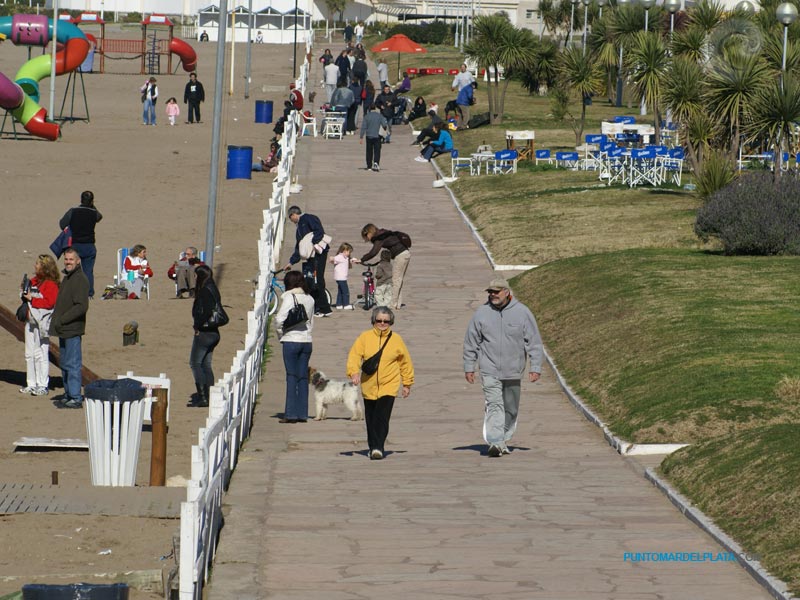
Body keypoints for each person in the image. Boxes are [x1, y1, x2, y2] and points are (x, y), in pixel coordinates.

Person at [463, 278, 544, 457]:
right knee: (494, 405)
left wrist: (535, 367)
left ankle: (503, 438)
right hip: (489, 368)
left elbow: (534, 342)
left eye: (496, 292)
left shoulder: (522, 312)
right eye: (490, 292)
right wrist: (469, 367)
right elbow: (471, 342)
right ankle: (496, 442)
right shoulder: (482, 313)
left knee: (511, 408)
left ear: (507, 292)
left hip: (514, 370)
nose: (492, 295)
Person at [346, 307, 414, 460]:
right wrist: (354, 372)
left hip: (389, 385)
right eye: (379, 321)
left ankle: (378, 447)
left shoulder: (397, 339)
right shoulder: (365, 337)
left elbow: (405, 362)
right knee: (370, 418)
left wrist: (407, 384)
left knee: (382, 417)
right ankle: (372, 446)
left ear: (391, 322)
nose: (382, 323)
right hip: (368, 385)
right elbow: (355, 355)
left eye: (386, 321)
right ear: (373, 321)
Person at [274, 270, 316, 423]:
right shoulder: (310, 298)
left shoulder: (289, 297)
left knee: (291, 376)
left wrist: (281, 334)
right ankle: (302, 413)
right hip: (306, 341)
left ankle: (291, 414)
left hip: (291, 340)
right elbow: (311, 321)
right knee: (303, 377)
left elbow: (279, 320)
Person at [50, 248, 89, 409]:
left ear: (78, 261)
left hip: (72, 328)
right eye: (66, 259)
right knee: (65, 363)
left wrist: (63, 319)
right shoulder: (68, 278)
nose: (68, 262)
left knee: (72, 364)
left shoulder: (80, 279)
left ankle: (75, 397)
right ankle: (68, 394)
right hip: (64, 328)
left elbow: (82, 306)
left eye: (71, 259)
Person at [20, 255, 60, 397]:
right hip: (30, 322)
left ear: (45, 267)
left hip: (42, 323)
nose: (35, 266)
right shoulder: (33, 281)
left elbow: (50, 303)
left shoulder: (51, 285)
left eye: (37, 264)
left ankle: (42, 384)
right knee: (29, 354)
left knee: (41, 353)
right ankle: (31, 383)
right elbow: (25, 296)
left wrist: (32, 299)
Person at [284, 206, 333, 317]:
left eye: (291, 219)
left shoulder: (308, 218)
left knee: (318, 280)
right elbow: (299, 247)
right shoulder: (299, 227)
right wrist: (291, 262)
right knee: (312, 281)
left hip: (318, 254)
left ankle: (325, 308)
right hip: (311, 256)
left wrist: (313, 243)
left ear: (293, 215)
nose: (292, 221)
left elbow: (319, 231)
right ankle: (317, 307)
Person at [188, 265, 222, 408]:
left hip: (205, 332)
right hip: (214, 332)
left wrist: (197, 326)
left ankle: (203, 397)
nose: (194, 278)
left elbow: (205, 311)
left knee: (195, 363)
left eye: (196, 275)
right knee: (206, 364)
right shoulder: (212, 287)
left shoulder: (205, 290)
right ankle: (209, 395)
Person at [59, 190, 102, 299]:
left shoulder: (73, 211)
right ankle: (89, 294)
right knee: (88, 271)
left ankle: (72, 292)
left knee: (72, 269)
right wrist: (92, 206)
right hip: (89, 245)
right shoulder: (93, 213)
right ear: (92, 201)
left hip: (75, 245)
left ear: (81, 199)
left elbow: (62, 224)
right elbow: (99, 217)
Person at [360, 224, 411, 310]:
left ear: (369, 232)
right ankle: (397, 303)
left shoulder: (379, 237)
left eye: (366, 236)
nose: (367, 239)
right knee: (399, 279)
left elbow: (373, 252)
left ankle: (393, 304)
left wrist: (362, 260)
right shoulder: (383, 233)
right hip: (405, 254)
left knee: (395, 280)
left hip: (400, 256)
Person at [360, 103, 388, 172]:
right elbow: (384, 124)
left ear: (369, 109)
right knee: (377, 150)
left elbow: (363, 127)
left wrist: (361, 137)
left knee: (369, 151)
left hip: (369, 136)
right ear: (375, 108)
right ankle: (376, 163)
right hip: (377, 136)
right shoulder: (379, 116)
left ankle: (369, 166)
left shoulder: (367, 116)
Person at [330, 242, 359, 309]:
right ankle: (346, 304)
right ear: (344, 251)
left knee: (340, 291)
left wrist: (355, 260)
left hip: (340, 277)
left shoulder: (345, 257)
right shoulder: (340, 256)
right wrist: (332, 258)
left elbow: (350, 260)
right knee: (345, 292)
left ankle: (339, 304)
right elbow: (334, 259)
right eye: (349, 252)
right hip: (341, 278)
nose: (349, 254)